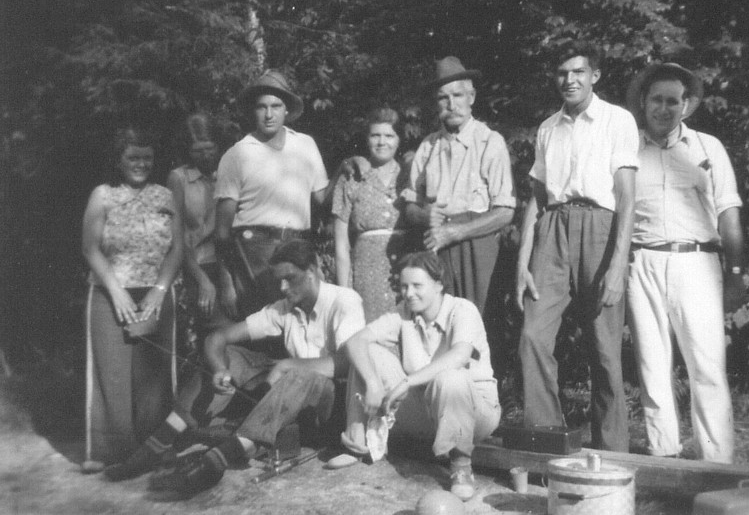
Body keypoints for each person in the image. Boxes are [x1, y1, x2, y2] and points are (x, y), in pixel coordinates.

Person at [104, 239, 366, 498]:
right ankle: (158, 445)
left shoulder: (345, 301)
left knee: (298, 374)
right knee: (232, 356)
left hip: (331, 412)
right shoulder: (284, 308)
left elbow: (346, 364)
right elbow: (217, 339)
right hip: (291, 404)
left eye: (290, 278)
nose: (283, 287)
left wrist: (287, 365)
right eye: (279, 281)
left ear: (312, 270)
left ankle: (216, 462)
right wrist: (220, 368)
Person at [516, 42, 638, 452]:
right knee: (533, 335)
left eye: (578, 72)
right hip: (552, 230)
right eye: (562, 73)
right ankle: (548, 443)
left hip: (600, 229)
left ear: (595, 76)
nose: (569, 80)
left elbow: (626, 196)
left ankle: (613, 455)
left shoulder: (617, 120)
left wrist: (618, 265)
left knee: (604, 349)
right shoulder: (548, 128)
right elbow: (536, 197)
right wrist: (522, 262)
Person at [624, 62, 744, 463]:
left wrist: (737, 272)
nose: (664, 108)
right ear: (644, 102)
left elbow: (728, 212)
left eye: (672, 101)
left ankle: (716, 464)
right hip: (642, 262)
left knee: (707, 367)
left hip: (698, 263)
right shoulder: (627, 149)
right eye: (656, 99)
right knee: (652, 367)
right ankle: (664, 461)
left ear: (686, 106)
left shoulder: (708, 148)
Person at [334, 252, 501, 502]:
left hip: (475, 412)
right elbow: (356, 341)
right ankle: (357, 441)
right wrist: (372, 382)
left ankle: (461, 468)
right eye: (404, 286)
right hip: (427, 411)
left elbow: (459, 355)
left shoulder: (462, 310)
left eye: (417, 286)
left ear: (438, 284)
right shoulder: (404, 314)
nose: (409, 293)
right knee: (366, 353)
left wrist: (407, 382)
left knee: (450, 377)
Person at [81, 126, 184, 471]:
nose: (141, 164)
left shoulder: (166, 196)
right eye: (133, 157)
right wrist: (116, 291)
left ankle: (154, 450)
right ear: (119, 159)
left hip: (155, 295)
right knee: (112, 375)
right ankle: (110, 453)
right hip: (109, 294)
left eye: (147, 158)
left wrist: (159, 291)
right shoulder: (103, 195)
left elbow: (177, 249)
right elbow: (90, 248)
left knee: (153, 379)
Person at [402, 57, 516, 315]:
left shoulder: (489, 141)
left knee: (482, 322)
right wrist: (424, 214)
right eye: (443, 98)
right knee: (439, 322)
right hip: (435, 245)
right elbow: (410, 208)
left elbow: (505, 212)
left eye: (458, 95)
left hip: (478, 243)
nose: (451, 105)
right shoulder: (427, 147)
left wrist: (456, 232)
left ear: (472, 97)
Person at [215, 70, 330, 321]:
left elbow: (323, 200)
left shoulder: (305, 145)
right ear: (252, 111)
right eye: (262, 107)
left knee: (305, 323)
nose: (269, 115)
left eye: (276, 106)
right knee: (266, 327)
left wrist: (345, 169)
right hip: (255, 251)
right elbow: (222, 233)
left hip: (298, 247)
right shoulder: (237, 155)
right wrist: (226, 284)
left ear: (286, 109)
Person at [332, 107, 417, 322]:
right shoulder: (352, 176)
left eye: (389, 136)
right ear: (367, 138)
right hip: (366, 271)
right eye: (375, 135)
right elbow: (341, 243)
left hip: (407, 267)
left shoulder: (410, 175)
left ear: (398, 140)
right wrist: (345, 294)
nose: (382, 142)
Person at [167, 113, 230, 343]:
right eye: (198, 150)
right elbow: (178, 235)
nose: (206, 155)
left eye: (210, 148)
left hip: (231, 267)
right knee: (215, 332)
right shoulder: (179, 178)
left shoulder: (227, 173)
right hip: (199, 266)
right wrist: (203, 281)